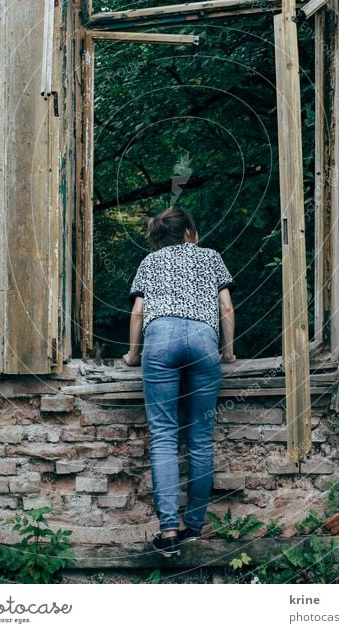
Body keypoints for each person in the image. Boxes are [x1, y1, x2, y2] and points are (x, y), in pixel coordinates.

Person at [123, 206, 236, 557]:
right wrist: (228, 353)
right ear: (190, 232)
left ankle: (169, 530)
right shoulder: (211, 257)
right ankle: (194, 527)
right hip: (204, 341)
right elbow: (226, 308)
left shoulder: (150, 262)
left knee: (163, 438)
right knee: (200, 439)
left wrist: (132, 356)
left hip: (159, 341)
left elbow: (139, 311)